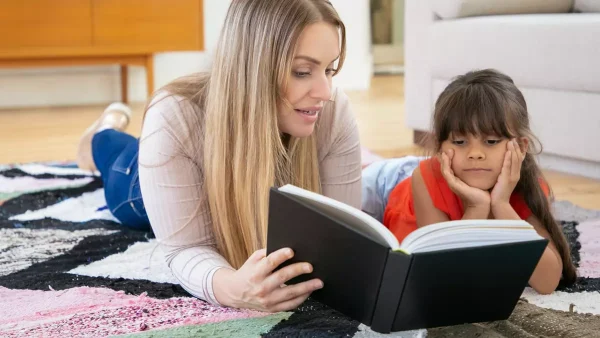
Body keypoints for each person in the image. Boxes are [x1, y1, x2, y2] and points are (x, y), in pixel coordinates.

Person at [75, 0, 362, 312]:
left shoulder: (333, 112)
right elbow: (185, 248)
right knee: (120, 166)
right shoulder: (175, 118)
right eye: (302, 71)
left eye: (330, 69)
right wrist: (232, 289)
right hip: (152, 185)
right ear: (252, 68)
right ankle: (103, 131)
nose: (325, 91)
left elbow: (345, 235)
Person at [369, 69, 576, 295]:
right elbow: (442, 276)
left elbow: (547, 282)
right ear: (440, 147)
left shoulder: (527, 185)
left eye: (491, 141)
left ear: (521, 147)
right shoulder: (425, 180)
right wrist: (477, 208)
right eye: (459, 141)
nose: (475, 153)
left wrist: (501, 205)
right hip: (390, 185)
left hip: (449, 168)